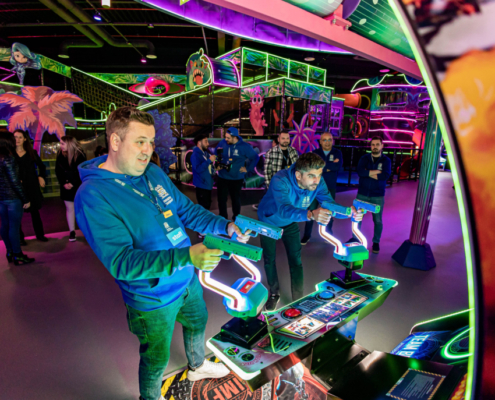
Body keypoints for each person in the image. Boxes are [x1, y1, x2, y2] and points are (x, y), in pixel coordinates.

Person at [75, 107, 251, 400]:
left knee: (197, 322)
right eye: (140, 141)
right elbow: (122, 263)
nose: (148, 150)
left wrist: (226, 226)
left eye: (151, 142)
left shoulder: (152, 172)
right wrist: (186, 257)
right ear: (115, 141)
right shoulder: (93, 195)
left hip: (186, 279)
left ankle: (197, 366)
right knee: (156, 358)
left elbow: (187, 211)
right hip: (152, 298)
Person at [257, 152, 360, 310]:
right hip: (269, 221)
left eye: (319, 175)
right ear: (298, 175)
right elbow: (284, 209)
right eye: (311, 176)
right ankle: (274, 293)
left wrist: (348, 212)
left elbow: (328, 203)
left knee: (296, 261)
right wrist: (311, 214)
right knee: (269, 259)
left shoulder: (317, 182)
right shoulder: (280, 180)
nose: (317, 180)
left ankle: (298, 300)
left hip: (291, 222)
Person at [0, 132, 35, 265]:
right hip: (12, 199)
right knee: (13, 228)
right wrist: (25, 199)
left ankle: (9, 251)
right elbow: (15, 182)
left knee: (5, 225)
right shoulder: (8, 159)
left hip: (1, 198)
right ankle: (18, 255)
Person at [301, 132, 343, 244]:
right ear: (320, 141)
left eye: (329, 140)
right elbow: (312, 168)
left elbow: (338, 167)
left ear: (332, 141)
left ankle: (328, 234)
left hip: (330, 188)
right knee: (311, 211)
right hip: (314, 188)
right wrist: (330, 165)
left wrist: (323, 167)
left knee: (329, 211)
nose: (327, 142)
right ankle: (306, 235)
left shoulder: (337, 153)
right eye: (324, 140)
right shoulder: (315, 153)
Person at [355, 136, 391, 254]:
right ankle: (355, 239)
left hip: (377, 195)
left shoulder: (386, 160)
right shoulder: (364, 158)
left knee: (378, 220)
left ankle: (376, 242)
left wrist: (368, 172)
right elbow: (360, 172)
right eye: (373, 145)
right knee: (357, 218)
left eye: (377, 144)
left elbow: (385, 176)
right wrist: (376, 172)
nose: (375, 147)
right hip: (362, 193)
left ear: (382, 146)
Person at [215, 127, 259, 221]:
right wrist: (217, 164)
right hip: (222, 177)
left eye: (228, 138)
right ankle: (223, 219)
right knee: (221, 200)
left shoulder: (244, 146)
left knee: (235, 200)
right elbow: (216, 153)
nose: (225, 139)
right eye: (225, 137)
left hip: (236, 178)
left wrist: (247, 169)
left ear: (235, 137)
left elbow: (255, 157)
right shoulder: (222, 143)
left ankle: (236, 219)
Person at [14, 129, 49, 243]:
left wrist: (41, 176)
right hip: (17, 187)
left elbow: (42, 166)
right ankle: (20, 238)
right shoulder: (11, 154)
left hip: (31, 186)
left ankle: (40, 235)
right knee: (17, 214)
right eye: (15, 137)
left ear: (25, 139)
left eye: (20, 137)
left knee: (35, 213)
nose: (17, 139)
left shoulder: (31, 152)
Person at [55, 136, 86, 242]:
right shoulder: (60, 154)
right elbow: (58, 171)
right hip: (65, 186)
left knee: (81, 209)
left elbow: (81, 171)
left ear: (69, 143)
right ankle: (72, 231)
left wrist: (73, 183)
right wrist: (64, 183)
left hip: (78, 185)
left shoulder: (80, 155)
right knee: (69, 208)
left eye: (62, 143)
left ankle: (86, 230)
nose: (60, 145)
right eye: (60, 143)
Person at [252, 136, 280, 211]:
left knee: (268, 192)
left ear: (275, 143)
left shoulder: (272, 152)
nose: (272, 144)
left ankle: (262, 206)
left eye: (273, 142)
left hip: (273, 177)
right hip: (277, 178)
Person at [192, 134, 215, 211]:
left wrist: (215, 169)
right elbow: (198, 169)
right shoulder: (195, 155)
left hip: (207, 185)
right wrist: (209, 160)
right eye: (205, 141)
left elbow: (208, 168)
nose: (208, 144)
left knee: (207, 207)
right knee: (204, 209)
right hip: (201, 186)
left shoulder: (205, 153)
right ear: (199, 143)